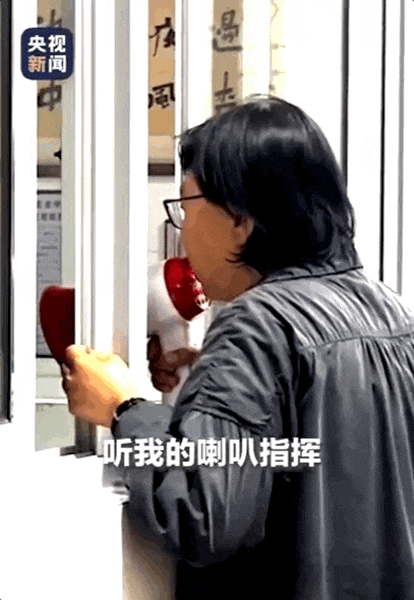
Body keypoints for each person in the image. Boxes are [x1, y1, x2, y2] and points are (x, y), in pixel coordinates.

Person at [61, 96, 414, 600]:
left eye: (185, 207)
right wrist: (211, 393)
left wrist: (125, 409)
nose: (181, 232)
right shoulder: (390, 312)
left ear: (241, 219)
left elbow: (203, 514)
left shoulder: (258, 327)